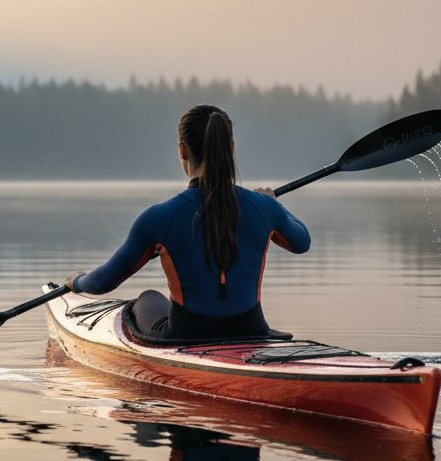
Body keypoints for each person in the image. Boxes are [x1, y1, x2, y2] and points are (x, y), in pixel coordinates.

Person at [64, 103, 310, 340]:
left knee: (147, 298)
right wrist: (274, 203)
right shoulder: (264, 207)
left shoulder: (159, 217)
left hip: (186, 334)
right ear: (231, 148)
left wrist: (76, 281)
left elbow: (102, 282)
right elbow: (301, 242)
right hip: (251, 328)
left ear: (182, 150)